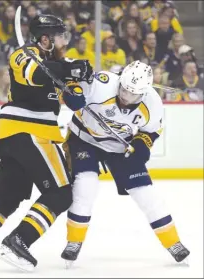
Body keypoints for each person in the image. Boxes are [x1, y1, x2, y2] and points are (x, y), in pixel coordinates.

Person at [0, 14, 93, 271]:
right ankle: (18, 241)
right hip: (32, 133)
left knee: (9, 196)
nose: (62, 40)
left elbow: (72, 98)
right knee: (61, 193)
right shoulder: (24, 54)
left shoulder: (55, 64)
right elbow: (35, 74)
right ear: (45, 38)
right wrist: (71, 69)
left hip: (13, 137)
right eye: (58, 35)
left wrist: (76, 85)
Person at [59, 60, 190, 266]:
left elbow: (152, 131)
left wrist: (142, 145)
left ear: (144, 92)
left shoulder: (153, 103)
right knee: (86, 185)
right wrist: (71, 94)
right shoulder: (102, 83)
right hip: (84, 138)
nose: (126, 98)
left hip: (120, 147)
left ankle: (173, 242)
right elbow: (69, 85)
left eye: (133, 94)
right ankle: (73, 242)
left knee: (145, 193)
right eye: (124, 90)